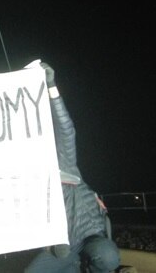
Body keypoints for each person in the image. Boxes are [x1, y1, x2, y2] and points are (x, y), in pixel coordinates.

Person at [25, 63, 121, 273]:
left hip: (90, 237)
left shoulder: (62, 163)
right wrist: (51, 244)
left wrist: (51, 86)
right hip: (65, 246)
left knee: (107, 257)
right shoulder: (27, 184)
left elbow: (66, 129)